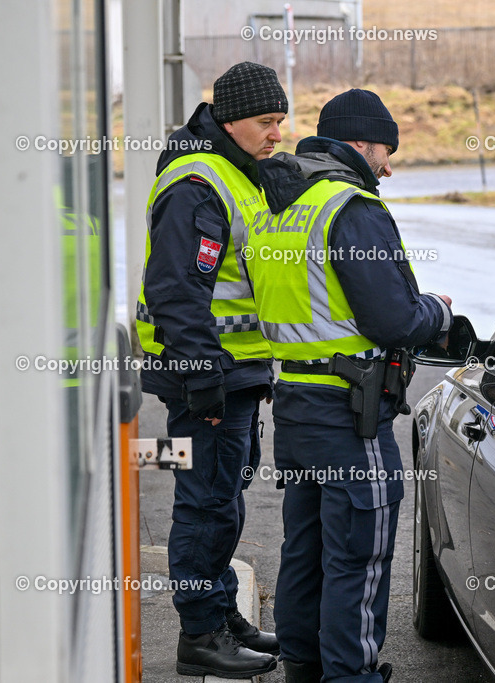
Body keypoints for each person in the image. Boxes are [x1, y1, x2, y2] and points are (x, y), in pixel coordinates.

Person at [245, 89, 453, 683]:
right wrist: (438, 310)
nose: (388, 167)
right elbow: (394, 320)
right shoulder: (351, 208)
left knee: (305, 549)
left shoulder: (278, 206)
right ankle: (351, 676)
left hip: (295, 401)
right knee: (360, 552)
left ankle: (303, 667)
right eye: (386, 152)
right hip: (350, 410)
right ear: (361, 143)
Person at [134, 61, 286, 678]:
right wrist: (203, 379)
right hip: (207, 377)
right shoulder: (199, 182)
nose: (276, 133)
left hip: (234, 374)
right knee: (204, 508)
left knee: (223, 501)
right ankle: (198, 634)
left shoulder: (234, 173)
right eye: (266, 121)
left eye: (280, 121)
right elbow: (176, 291)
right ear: (230, 120)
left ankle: (221, 614)